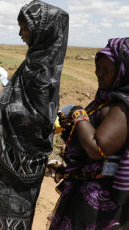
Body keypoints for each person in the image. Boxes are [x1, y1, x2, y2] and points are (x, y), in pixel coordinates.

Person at [0, 1, 69, 229]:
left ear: (41, 31)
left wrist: (1, 106)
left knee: (12, 209)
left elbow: (40, 118)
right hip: (13, 154)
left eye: (24, 28)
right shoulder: (35, 60)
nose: (20, 34)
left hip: (25, 158)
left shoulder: (44, 73)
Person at [49, 38, 129, 229]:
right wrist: (73, 126)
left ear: (124, 73)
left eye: (106, 70)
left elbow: (97, 148)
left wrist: (78, 112)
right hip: (84, 190)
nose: (98, 74)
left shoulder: (123, 108)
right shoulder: (106, 98)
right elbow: (91, 129)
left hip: (100, 203)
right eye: (98, 67)